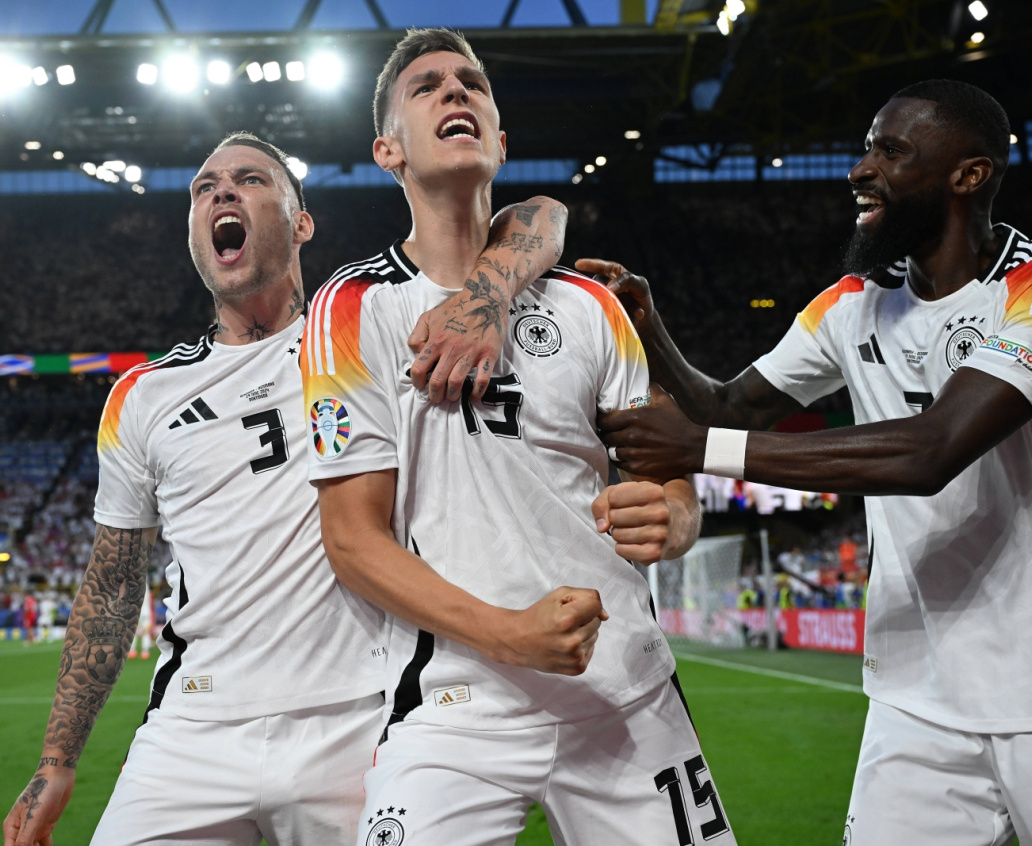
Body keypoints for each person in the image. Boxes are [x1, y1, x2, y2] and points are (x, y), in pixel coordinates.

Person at [2, 128, 565, 846]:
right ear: (194, 234)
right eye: (204, 190)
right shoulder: (140, 396)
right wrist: (56, 760)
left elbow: (540, 216)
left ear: (302, 224)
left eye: (249, 180)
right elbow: (113, 585)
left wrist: (490, 292)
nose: (222, 194)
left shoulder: (367, 328)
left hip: (360, 716)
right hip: (192, 728)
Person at [303, 29, 729, 846]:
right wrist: (509, 635)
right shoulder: (352, 308)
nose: (455, 91)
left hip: (627, 692)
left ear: (502, 140)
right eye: (427, 86)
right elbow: (353, 541)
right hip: (456, 704)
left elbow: (666, 473)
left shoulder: (591, 305)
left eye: (472, 83)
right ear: (388, 150)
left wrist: (676, 516)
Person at [591, 80, 1031, 845]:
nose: (860, 169)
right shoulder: (852, 301)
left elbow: (931, 450)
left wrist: (701, 452)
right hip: (915, 697)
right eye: (865, 148)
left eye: (891, 151)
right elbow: (730, 408)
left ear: (970, 174)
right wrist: (650, 329)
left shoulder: (1024, 290)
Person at [127, 587, 153, 660]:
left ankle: (132, 651)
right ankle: (145, 652)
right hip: (145, 612)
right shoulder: (146, 587)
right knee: (146, 632)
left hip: (135, 611)